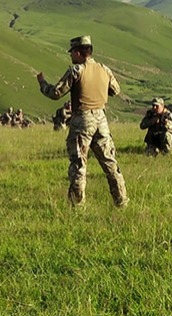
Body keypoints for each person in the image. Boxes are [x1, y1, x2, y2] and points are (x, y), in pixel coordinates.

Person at [36, 35, 129, 208]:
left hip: (82, 120)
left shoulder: (76, 71)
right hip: (102, 121)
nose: (71, 55)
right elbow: (115, 90)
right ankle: (121, 200)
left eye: (72, 52)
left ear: (78, 53)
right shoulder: (104, 69)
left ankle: (77, 205)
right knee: (110, 163)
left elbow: (56, 93)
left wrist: (42, 83)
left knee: (79, 164)